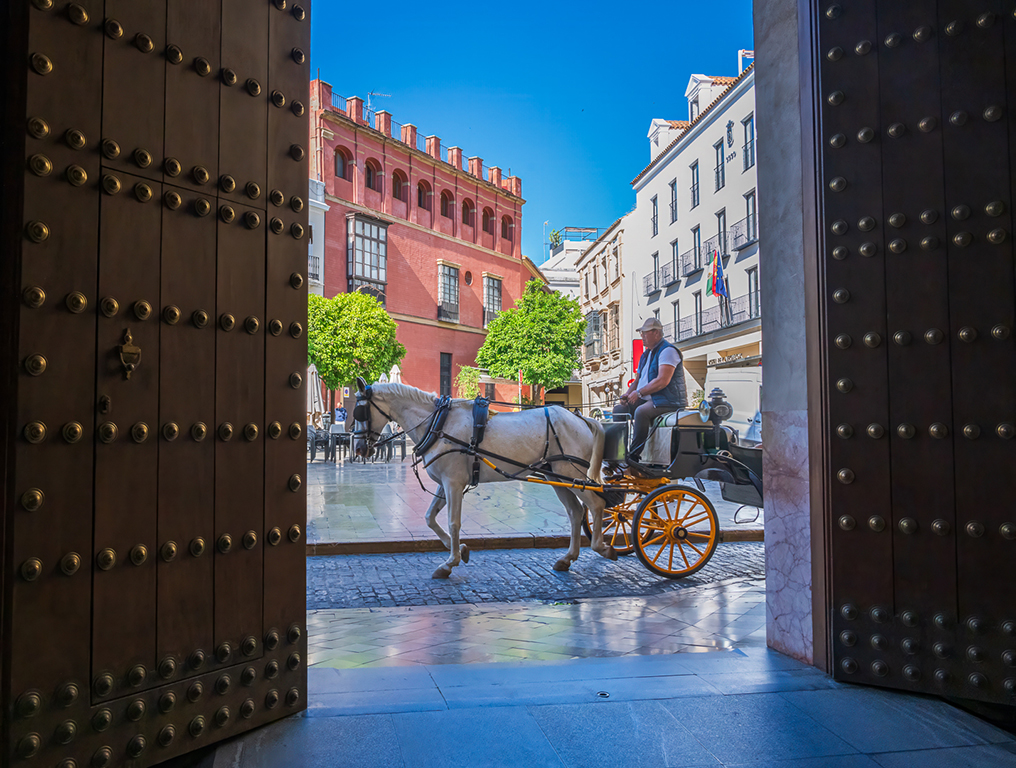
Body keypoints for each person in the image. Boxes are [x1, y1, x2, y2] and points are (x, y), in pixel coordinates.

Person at [612, 317, 687, 469]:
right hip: (650, 399)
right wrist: (627, 395)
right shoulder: (646, 355)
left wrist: (638, 394)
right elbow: (638, 380)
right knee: (619, 410)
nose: (642, 337)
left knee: (641, 412)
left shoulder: (668, 351)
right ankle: (617, 453)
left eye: (645, 333)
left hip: (667, 400)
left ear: (656, 333)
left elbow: (662, 381)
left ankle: (634, 456)